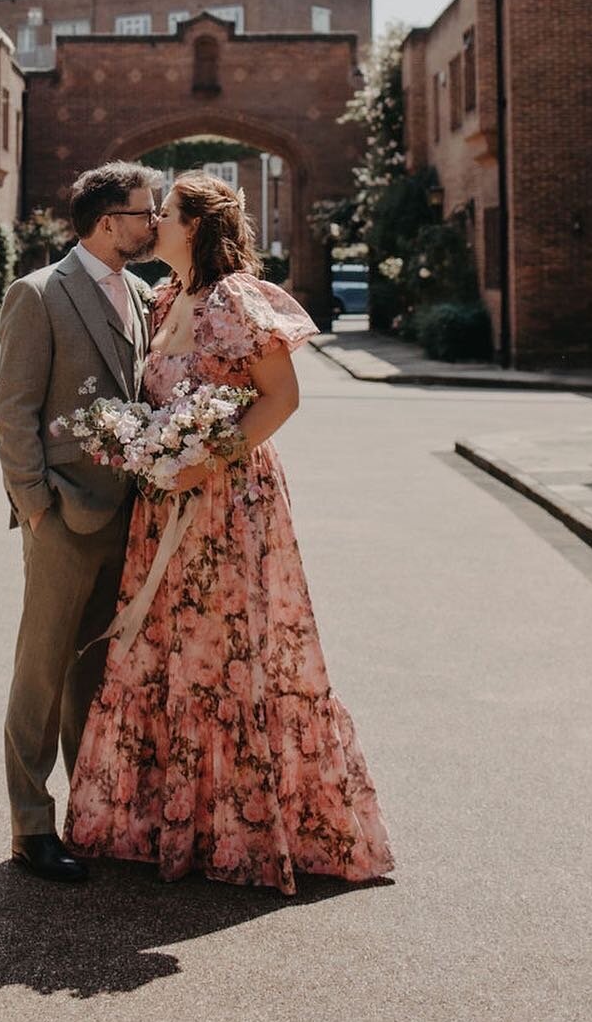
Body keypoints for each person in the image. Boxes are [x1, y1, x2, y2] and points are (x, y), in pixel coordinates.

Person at [65, 173, 394, 896]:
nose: (152, 222)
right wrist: (151, 451)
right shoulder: (162, 300)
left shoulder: (237, 300)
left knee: (229, 652)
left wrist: (201, 459)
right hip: (165, 508)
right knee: (168, 650)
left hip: (229, 503)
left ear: (196, 227)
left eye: (167, 213)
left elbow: (282, 397)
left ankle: (243, 829)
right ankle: (163, 824)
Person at [0, 161, 163, 883]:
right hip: (63, 514)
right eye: (144, 212)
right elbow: (14, 412)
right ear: (106, 221)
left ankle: (84, 815)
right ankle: (30, 828)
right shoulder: (38, 295)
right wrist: (36, 507)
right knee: (42, 671)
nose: (154, 223)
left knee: (94, 672)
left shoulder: (143, 293)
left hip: (129, 513)